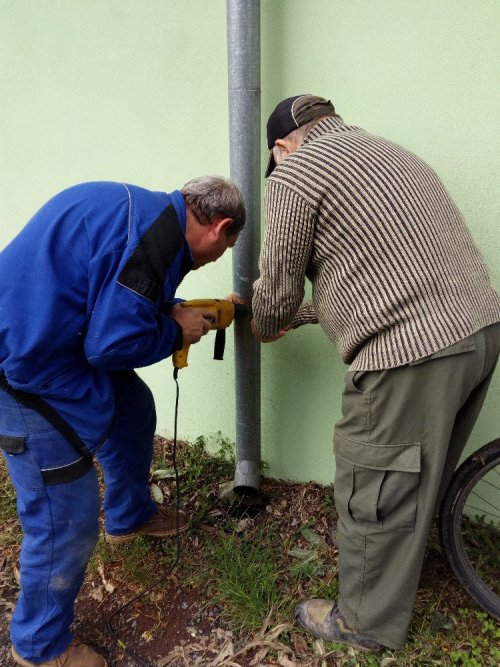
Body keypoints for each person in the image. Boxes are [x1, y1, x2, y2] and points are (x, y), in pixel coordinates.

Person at [251, 95, 500, 652]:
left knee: (375, 486)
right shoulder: (392, 154)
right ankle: (406, 568)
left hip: (412, 353)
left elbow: (279, 285)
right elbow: (376, 274)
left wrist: (266, 322)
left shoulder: (296, 173)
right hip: (479, 331)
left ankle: (364, 624)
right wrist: (307, 315)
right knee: (416, 473)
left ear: (282, 148)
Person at [0, 176, 245, 667]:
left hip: (54, 344)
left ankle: (130, 517)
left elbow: (119, 294)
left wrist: (171, 313)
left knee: (131, 409)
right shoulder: (153, 240)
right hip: (22, 371)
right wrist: (173, 331)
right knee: (64, 516)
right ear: (219, 229)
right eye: (222, 252)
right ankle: (40, 647)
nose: (211, 263)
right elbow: (110, 344)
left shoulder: (150, 217)